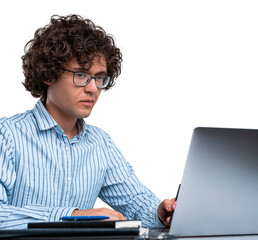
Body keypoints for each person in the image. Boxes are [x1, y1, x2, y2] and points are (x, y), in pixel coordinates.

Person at [0, 14, 175, 230]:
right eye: (81, 75)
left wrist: (160, 213)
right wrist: (75, 216)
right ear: (48, 74)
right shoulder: (7, 135)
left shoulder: (100, 143)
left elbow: (136, 203)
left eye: (99, 77)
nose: (93, 88)